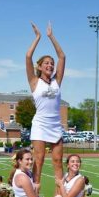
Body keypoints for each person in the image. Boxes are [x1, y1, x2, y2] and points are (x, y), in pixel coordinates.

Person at [26, 21, 65, 187]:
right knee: (39, 160)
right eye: (47, 63)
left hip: (55, 124)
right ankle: (35, 194)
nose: (50, 65)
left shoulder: (57, 81)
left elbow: (62, 56)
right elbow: (28, 57)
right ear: (40, 67)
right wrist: (38, 37)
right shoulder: (34, 82)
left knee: (57, 161)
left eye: (51, 63)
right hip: (40, 124)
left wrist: (51, 37)